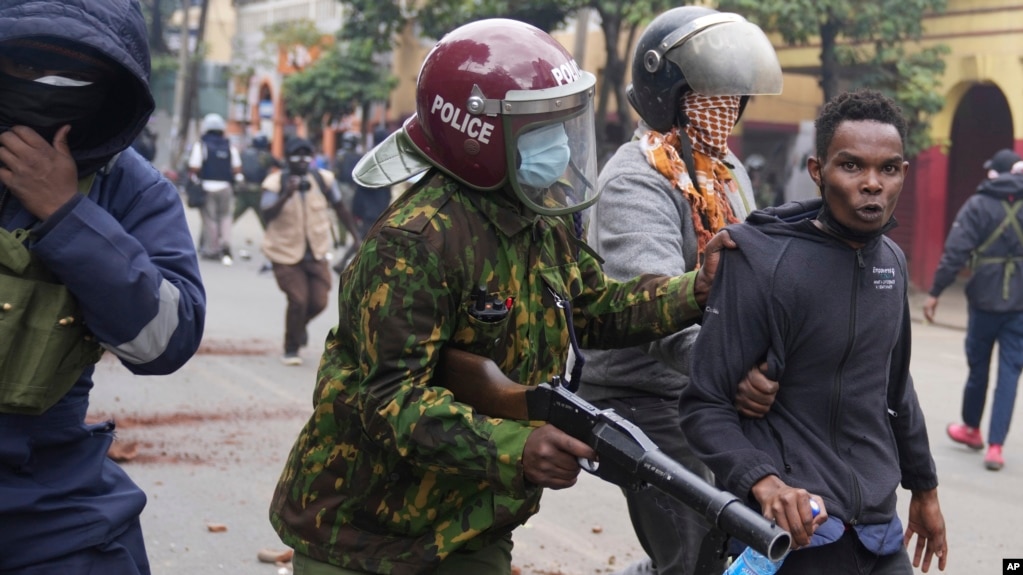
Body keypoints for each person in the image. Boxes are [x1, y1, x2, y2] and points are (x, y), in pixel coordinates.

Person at [268, 19, 741, 575]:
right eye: (541, 128)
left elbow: (591, 311)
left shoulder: (539, 213)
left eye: (562, 124)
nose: (561, 145)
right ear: (477, 135)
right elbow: (388, 399)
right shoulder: (415, 243)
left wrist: (695, 289)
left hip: (472, 520)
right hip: (362, 528)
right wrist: (516, 447)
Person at [679, 89, 948, 573]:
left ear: (903, 175)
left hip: (879, 530)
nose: (872, 184)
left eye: (887, 169)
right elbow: (705, 405)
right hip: (800, 533)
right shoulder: (760, 261)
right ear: (817, 170)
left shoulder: (892, 262)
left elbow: (895, 388)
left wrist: (924, 488)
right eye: (851, 166)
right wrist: (764, 482)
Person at [576, 7, 784, 575]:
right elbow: (654, 311)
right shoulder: (635, 180)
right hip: (642, 391)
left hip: (708, 377)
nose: (728, 112)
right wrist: (730, 374)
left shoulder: (724, 170)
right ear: (671, 96)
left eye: (734, 99)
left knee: (749, 531)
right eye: (712, 97)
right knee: (696, 544)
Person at [0, 1, 206, 573]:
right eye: (27, 66)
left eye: (75, 72)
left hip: (45, 487)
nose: (48, 88)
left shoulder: (132, 190)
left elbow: (166, 341)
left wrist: (67, 215)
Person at [925, 148, 1023, 471]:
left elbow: (956, 251)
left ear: (995, 173)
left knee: (978, 366)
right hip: (1019, 304)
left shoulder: (978, 203)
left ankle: (971, 429)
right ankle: (995, 447)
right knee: (1010, 371)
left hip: (983, 301)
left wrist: (936, 291)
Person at [261, 137, 349, 366]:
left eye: (306, 155)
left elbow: (340, 207)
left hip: (317, 252)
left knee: (319, 302)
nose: (302, 160)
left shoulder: (323, 179)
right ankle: (291, 348)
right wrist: (285, 195)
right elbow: (266, 213)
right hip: (285, 253)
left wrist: (358, 237)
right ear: (287, 158)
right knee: (299, 300)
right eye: (296, 155)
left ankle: (299, 327)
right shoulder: (275, 181)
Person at [188, 112, 242, 265]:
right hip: (226, 187)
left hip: (207, 187)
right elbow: (237, 169)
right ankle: (226, 244)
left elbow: (194, 167)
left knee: (210, 219)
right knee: (225, 217)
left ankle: (213, 249)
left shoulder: (201, 145)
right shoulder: (229, 146)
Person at [234, 133, 279, 229]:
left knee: (232, 216)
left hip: (243, 189)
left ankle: (220, 236)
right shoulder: (266, 156)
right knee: (264, 220)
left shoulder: (244, 153)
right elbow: (281, 165)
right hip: (258, 191)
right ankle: (271, 239)